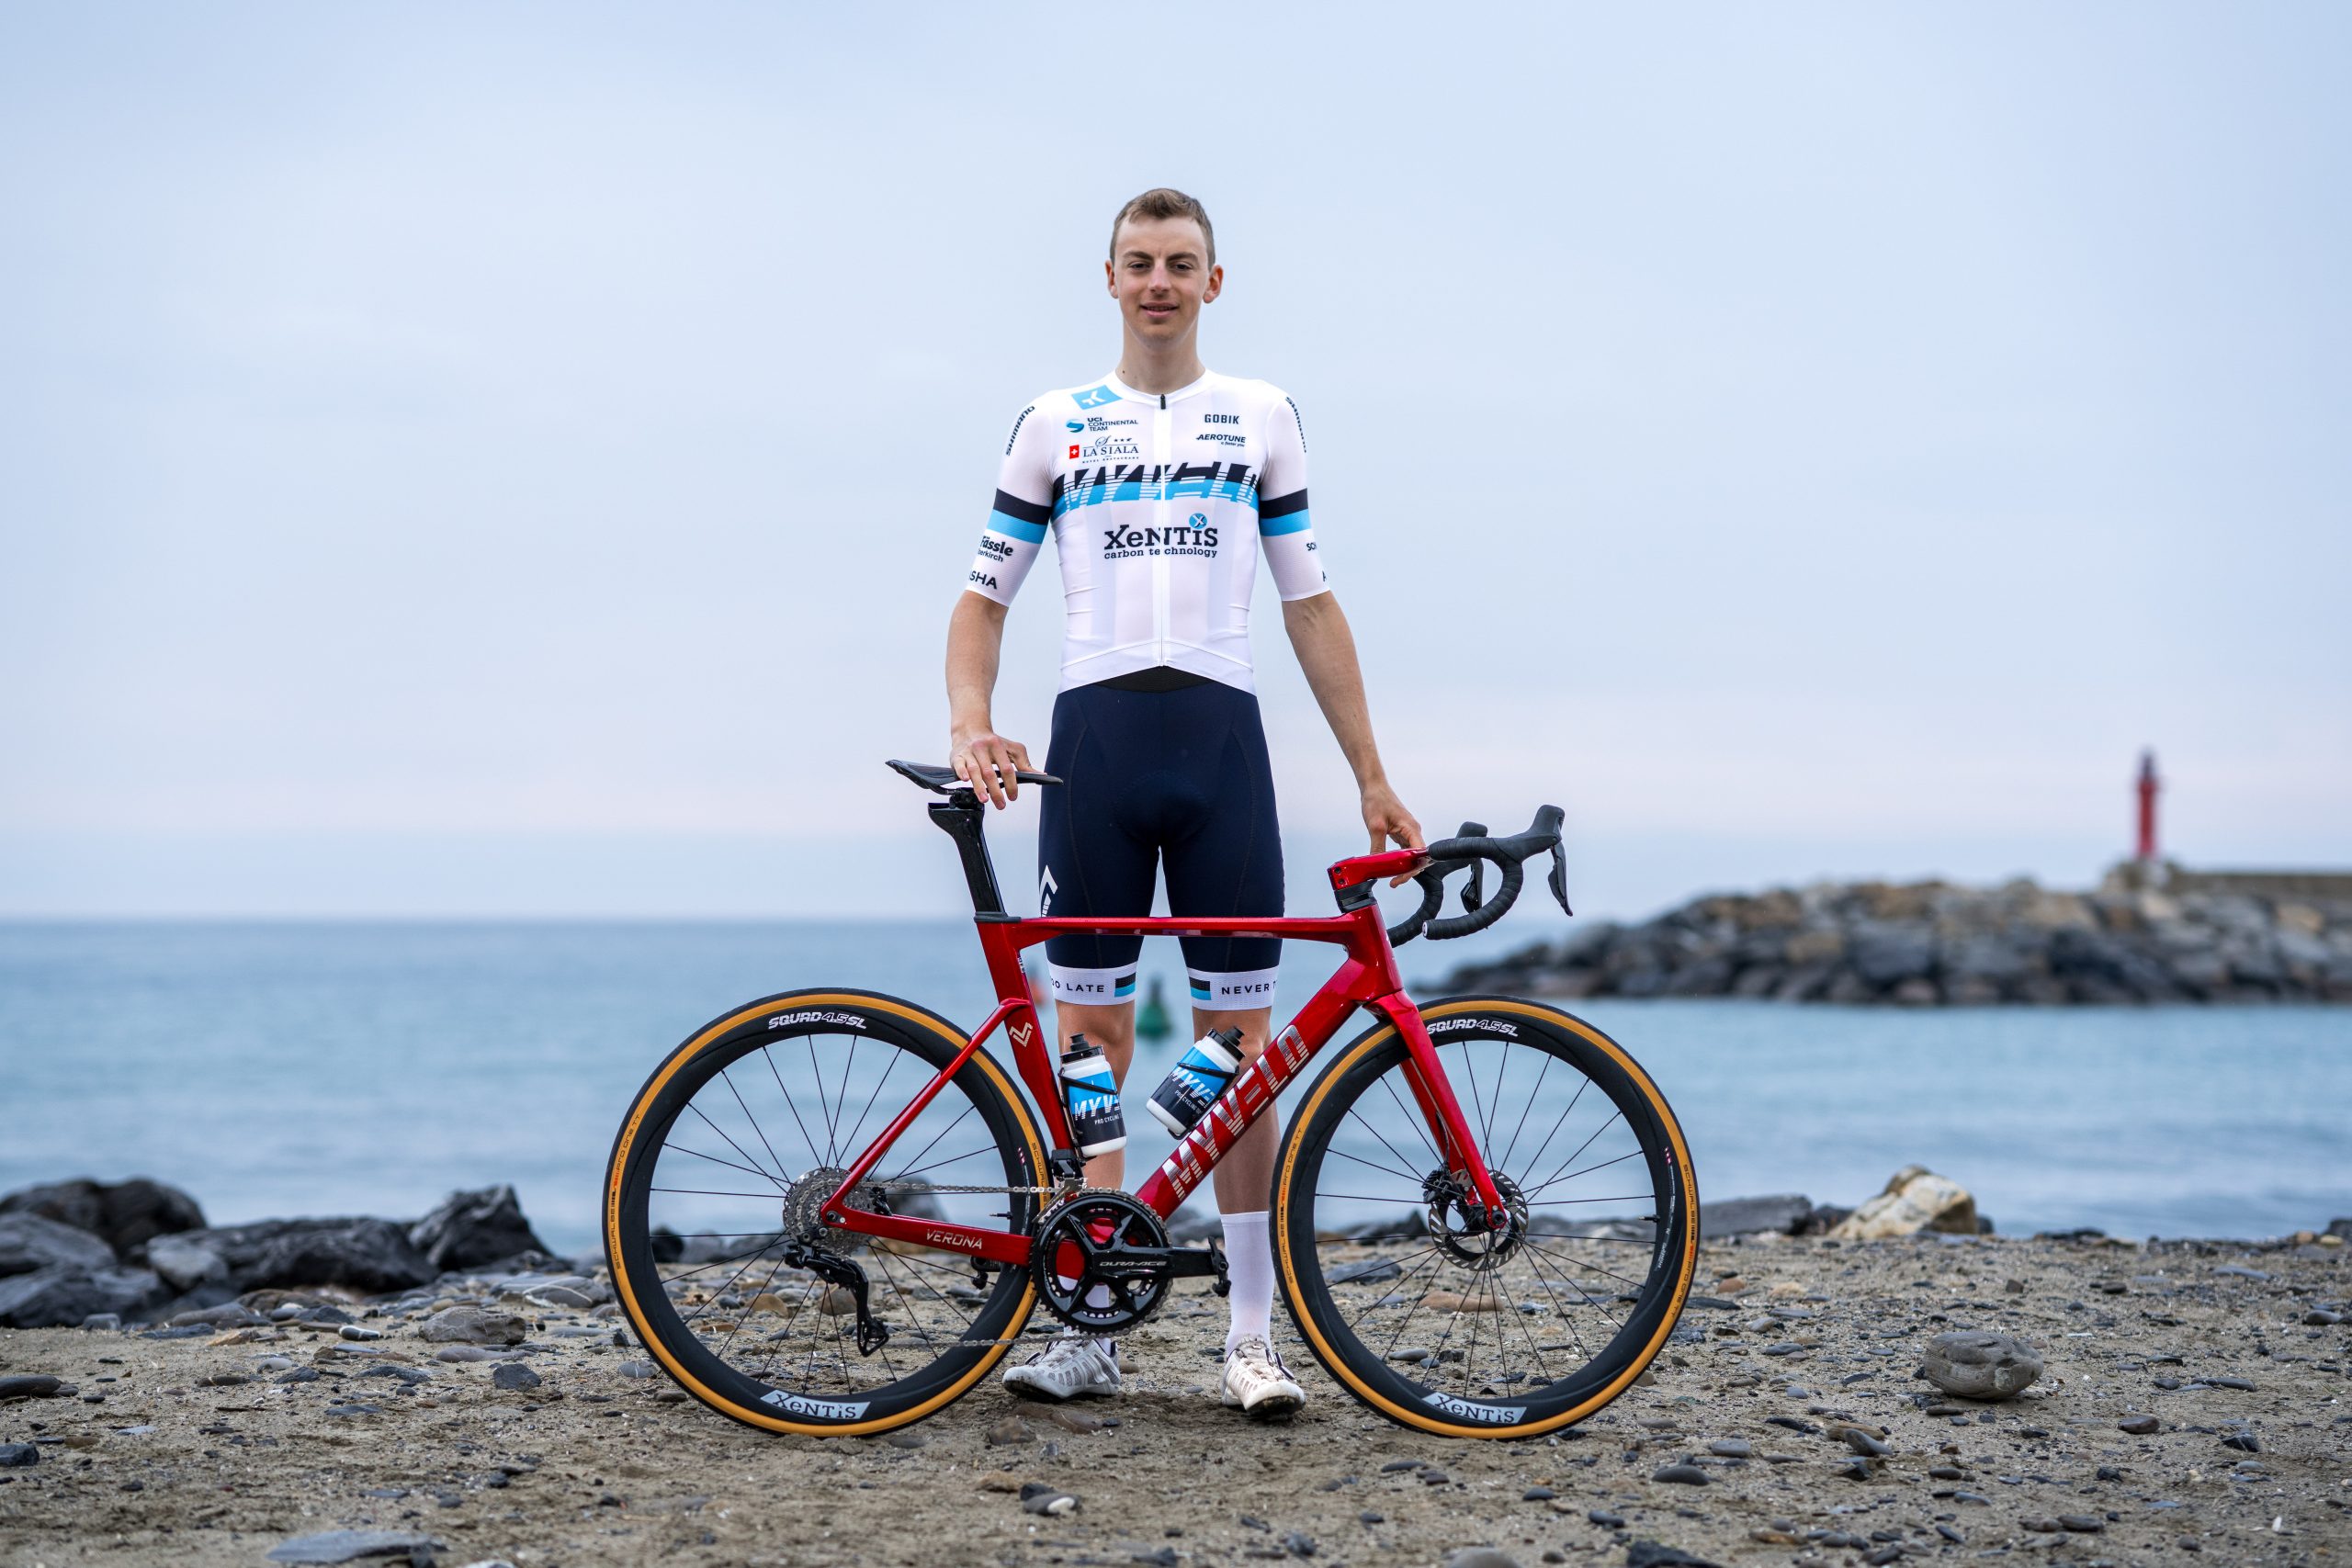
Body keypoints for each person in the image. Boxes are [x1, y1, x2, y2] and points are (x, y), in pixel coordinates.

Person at [944, 188, 1422, 1416]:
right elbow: (982, 601)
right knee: (1091, 1044)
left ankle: (1251, 1344)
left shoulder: (1259, 417)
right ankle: (1095, 1328)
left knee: (1240, 1055)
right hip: (1090, 755)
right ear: (1107, 277)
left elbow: (1310, 601)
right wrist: (969, 724)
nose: (1159, 281)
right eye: (1139, 263)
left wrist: (1371, 772)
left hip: (1223, 752)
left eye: (1181, 264)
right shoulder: (1055, 424)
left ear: (1216, 282)